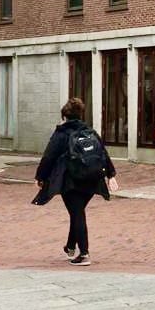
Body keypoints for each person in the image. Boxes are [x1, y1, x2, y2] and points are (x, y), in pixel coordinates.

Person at [32, 97, 116, 266]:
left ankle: (84, 254)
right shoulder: (90, 132)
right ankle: (71, 247)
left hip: (71, 181)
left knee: (77, 214)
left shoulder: (61, 134)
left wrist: (40, 177)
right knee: (76, 213)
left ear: (64, 117)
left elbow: (49, 157)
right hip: (92, 179)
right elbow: (103, 153)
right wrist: (111, 174)